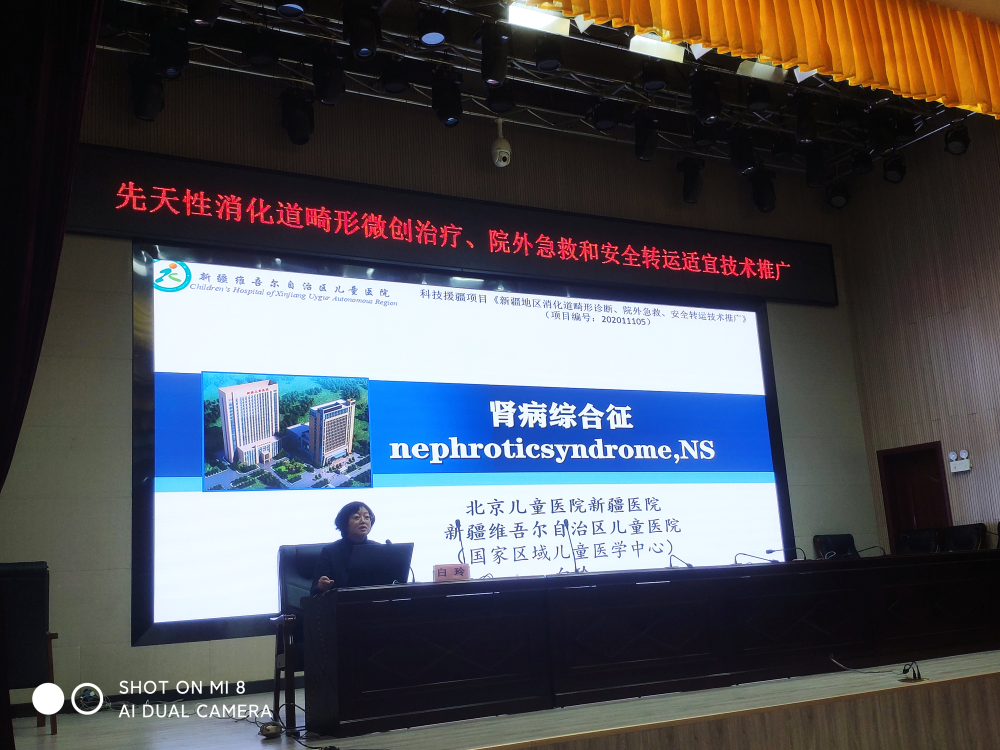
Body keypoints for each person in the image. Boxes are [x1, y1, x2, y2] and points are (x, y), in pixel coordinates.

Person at [310, 501, 379, 595]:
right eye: (356, 517)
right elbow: (314, 590)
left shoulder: (378, 549)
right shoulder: (330, 552)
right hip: (341, 602)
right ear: (344, 523)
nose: (363, 521)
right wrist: (321, 586)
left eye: (367, 517)